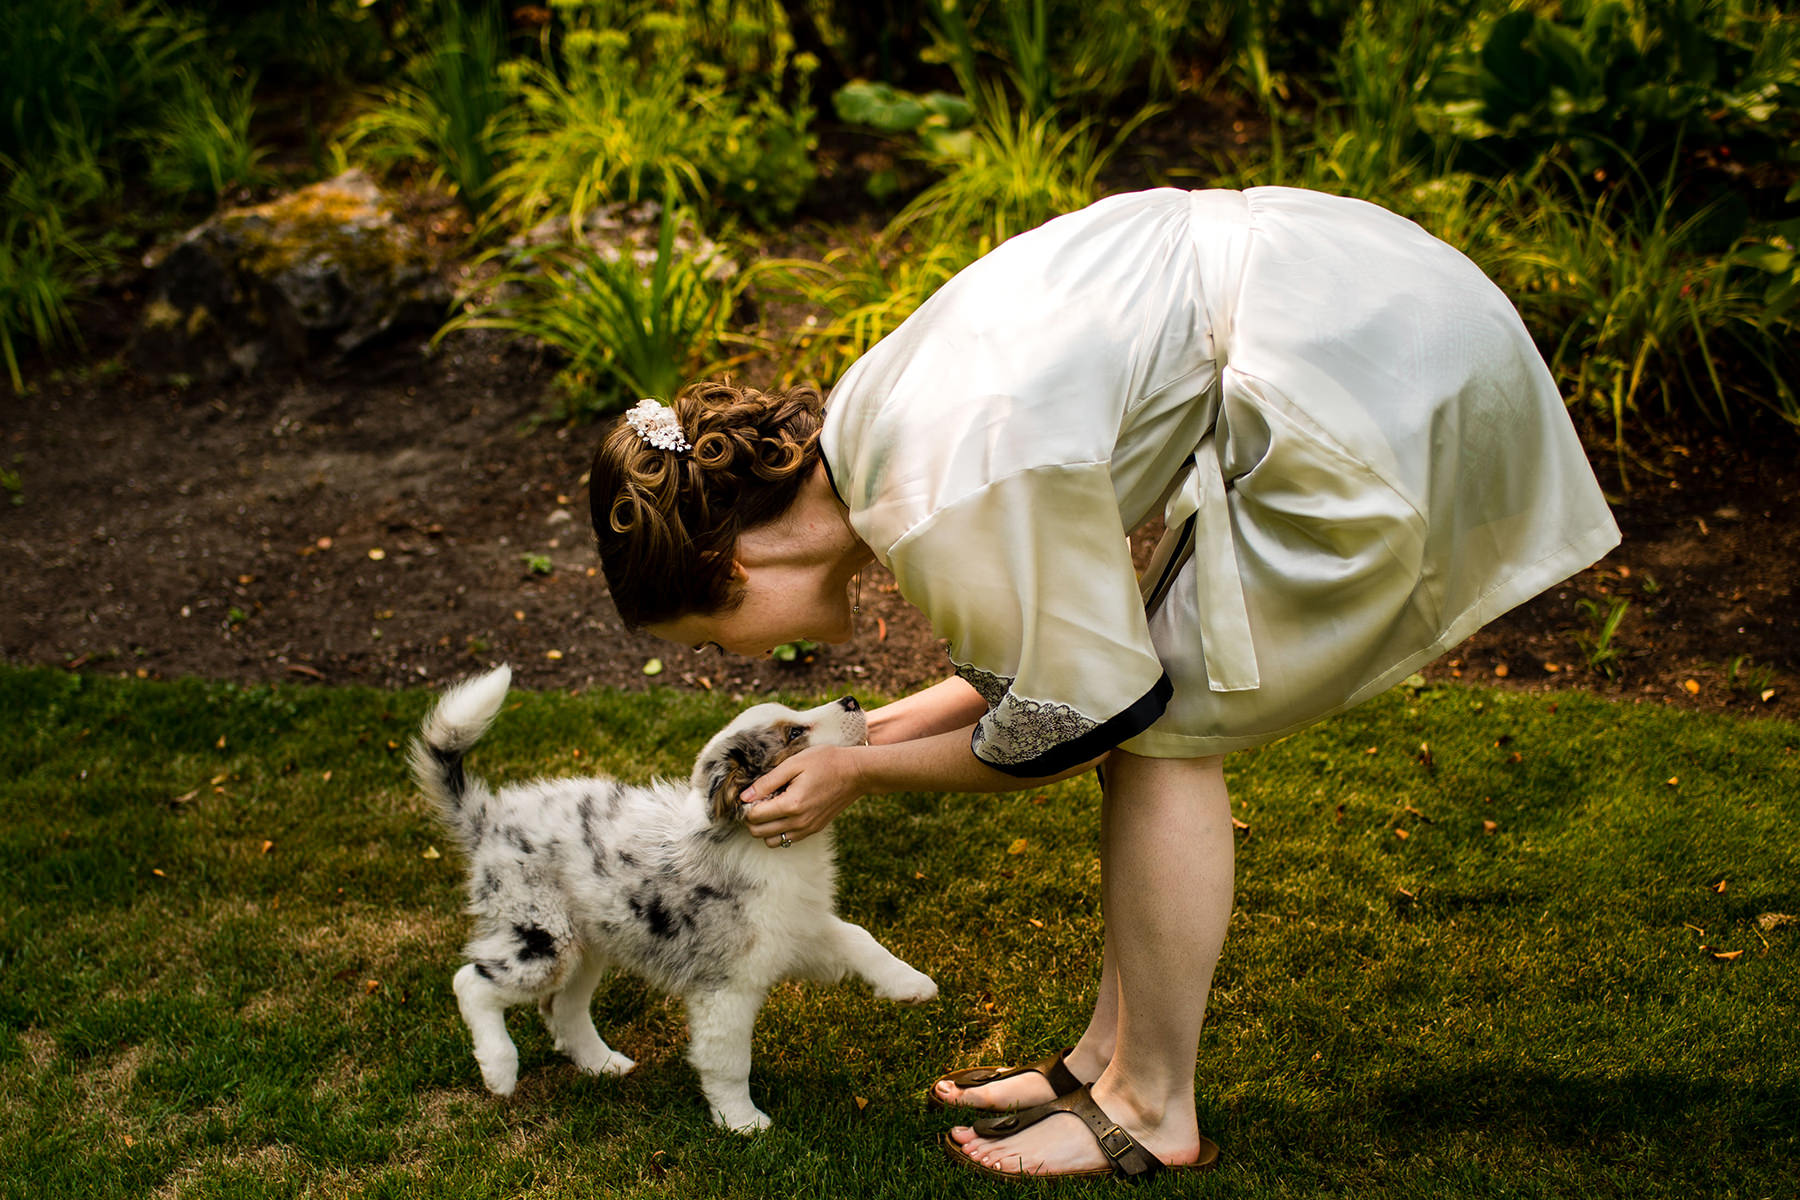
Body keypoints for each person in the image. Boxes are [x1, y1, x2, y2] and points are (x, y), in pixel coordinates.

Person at [587, 186, 1620, 1180]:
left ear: (734, 572)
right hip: (1349, 302)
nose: (747, 664)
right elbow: (1045, 673)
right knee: (1153, 699)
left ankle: (1152, 1107)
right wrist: (852, 742)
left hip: (1369, 365)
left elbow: (1075, 722)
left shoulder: (941, 496)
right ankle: (1104, 1063)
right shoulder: (872, 440)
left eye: (720, 644)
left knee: (1167, 730)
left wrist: (861, 776)